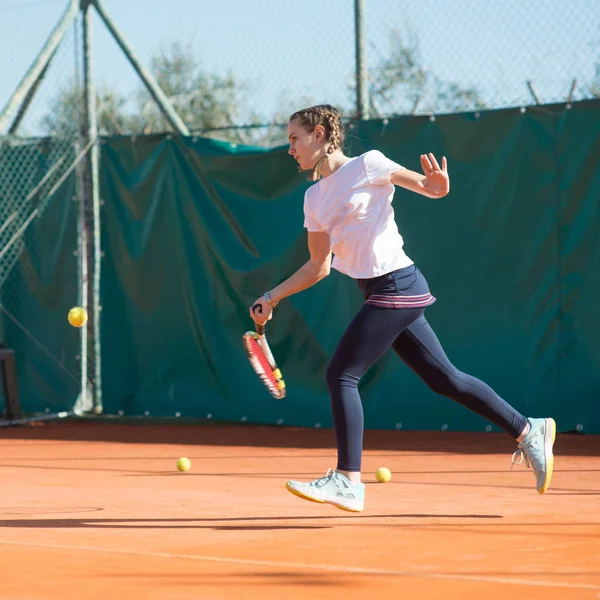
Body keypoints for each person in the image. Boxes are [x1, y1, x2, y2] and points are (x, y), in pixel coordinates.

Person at [249, 104, 556, 513]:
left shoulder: (369, 165)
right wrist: (271, 297)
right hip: (381, 291)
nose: (289, 149)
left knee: (342, 374)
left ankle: (347, 480)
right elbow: (318, 266)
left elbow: (426, 187)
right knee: (445, 379)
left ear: (319, 135)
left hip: (397, 284)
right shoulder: (314, 198)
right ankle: (528, 429)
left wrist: (437, 186)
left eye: (294, 139)